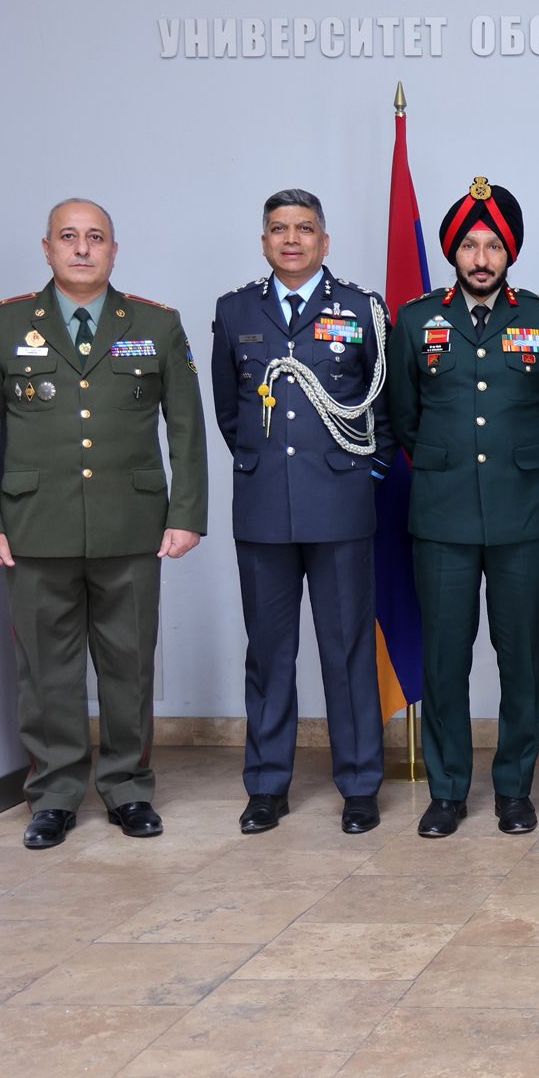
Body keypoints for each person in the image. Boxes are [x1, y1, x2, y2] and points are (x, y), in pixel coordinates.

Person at [0, 198, 206, 849]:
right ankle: (54, 795)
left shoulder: (156, 323)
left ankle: (128, 789)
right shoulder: (1, 324)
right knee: (46, 671)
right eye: (68, 236)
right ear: (47, 248)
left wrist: (186, 514)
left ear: (113, 250)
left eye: (96, 237)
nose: (82, 248)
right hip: (35, 526)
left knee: (130, 665)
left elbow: (186, 429)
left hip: (132, 525)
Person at [386, 178, 539, 838]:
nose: (482, 258)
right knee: (444, 659)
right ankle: (447, 790)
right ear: (452, 253)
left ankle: (514, 789)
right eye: (470, 245)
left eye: (493, 245)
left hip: (522, 513)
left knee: (520, 658)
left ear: (510, 251)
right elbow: (404, 416)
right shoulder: (415, 321)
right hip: (442, 515)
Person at [212, 189, 390, 836]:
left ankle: (360, 785)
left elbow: (384, 410)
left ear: (324, 240)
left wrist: (363, 476)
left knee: (347, 652)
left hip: (340, 507)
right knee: (268, 654)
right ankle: (266, 786)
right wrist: (265, 468)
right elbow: (230, 411)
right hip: (263, 510)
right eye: (279, 229)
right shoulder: (235, 310)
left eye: (305, 228)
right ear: (263, 241)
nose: (292, 239)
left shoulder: (362, 309)